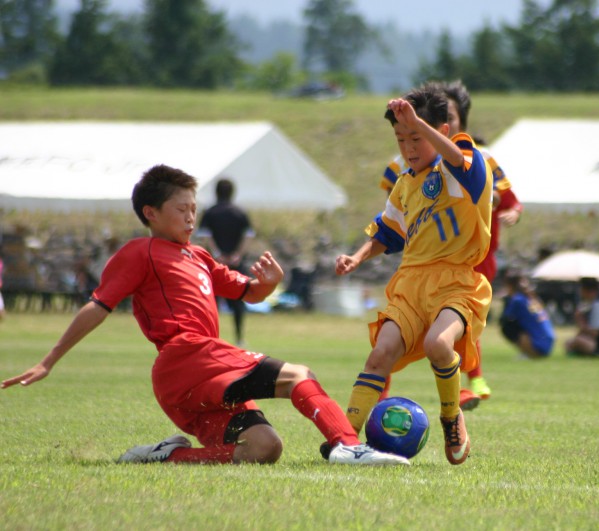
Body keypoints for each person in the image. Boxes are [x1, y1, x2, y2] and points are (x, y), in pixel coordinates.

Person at [1, 164, 408, 467]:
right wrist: (49, 360)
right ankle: (347, 446)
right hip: (187, 358)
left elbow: (248, 291)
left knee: (264, 448)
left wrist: (269, 283)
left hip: (197, 377)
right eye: (182, 209)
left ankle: (167, 456)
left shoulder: (198, 256)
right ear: (151, 213)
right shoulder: (140, 252)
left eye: (194, 209)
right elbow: (98, 305)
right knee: (298, 375)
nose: (191, 218)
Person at [330, 87, 493, 465]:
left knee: (438, 343)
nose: (408, 147)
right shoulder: (405, 184)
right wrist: (356, 257)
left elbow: (459, 161)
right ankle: (344, 439)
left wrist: (418, 123)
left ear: (441, 130)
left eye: (416, 137)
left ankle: (451, 418)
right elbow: (388, 233)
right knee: (380, 354)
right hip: (411, 284)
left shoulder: (465, 163)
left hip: (456, 282)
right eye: (401, 139)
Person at [377, 79, 523, 409]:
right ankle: (382, 392)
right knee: (395, 328)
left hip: (473, 257)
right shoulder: (402, 162)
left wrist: (507, 208)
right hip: (421, 258)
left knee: (455, 323)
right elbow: (394, 202)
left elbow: (510, 199)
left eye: (452, 117)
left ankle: (471, 382)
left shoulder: (479, 158)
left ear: (455, 123)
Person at [197, 178, 254, 346]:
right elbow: (248, 235)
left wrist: (217, 254)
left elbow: (205, 236)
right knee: (238, 301)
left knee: (211, 302)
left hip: (213, 264)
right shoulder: (240, 212)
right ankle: (239, 338)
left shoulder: (210, 212)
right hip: (236, 264)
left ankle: (211, 337)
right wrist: (238, 254)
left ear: (216, 192)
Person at [498, 270, 555, 359]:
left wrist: (506, 300)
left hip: (538, 344)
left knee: (508, 327)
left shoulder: (517, 300)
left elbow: (504, 318)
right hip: (547, 341)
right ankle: (530, 351)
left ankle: (529, 352)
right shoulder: (531, 297)